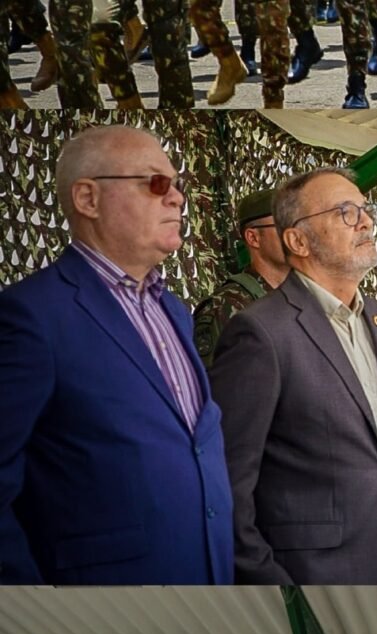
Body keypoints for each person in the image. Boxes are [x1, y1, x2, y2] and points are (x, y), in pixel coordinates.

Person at [0, 125, 233, 584]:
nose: (177, 198)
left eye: (178, 184)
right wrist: (30, 606)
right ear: (88, 198)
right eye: (156, 183)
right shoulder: (31, 315)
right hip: (106, 603)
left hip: (208, 583)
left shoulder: (173, 309)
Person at [210, 167, 377, 585]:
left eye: (367, 210)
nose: (366, 222)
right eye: (345, 212)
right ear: (298, 241)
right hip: (310, 582)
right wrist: (272, 587)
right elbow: (225, 482)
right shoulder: (261, 331)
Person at [193, 188, 290, 368]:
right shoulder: (225, 307)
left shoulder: (305, 299)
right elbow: (212, 381)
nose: (295, 235)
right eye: (283, 226)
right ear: (253, 238)